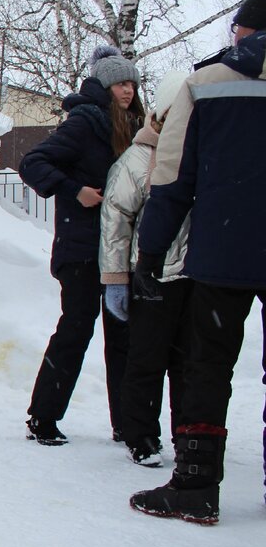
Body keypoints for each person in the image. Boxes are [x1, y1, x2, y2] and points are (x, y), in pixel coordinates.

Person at [128, 0, 266, 524]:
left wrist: (151, 253)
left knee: (206, 368)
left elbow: (171, 180)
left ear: (243, 31)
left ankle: (195, 487)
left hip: (223, 255)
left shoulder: (205, 84)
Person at [19, 46, 143, 445]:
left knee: (123, 334)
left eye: (133, 84)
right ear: (106, 84)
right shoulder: (85, 123)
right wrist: (75, 191)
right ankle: (42, 418)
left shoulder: (132, 124)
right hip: (81, 247)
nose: (129, 90)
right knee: (76, 328)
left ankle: (126, 424)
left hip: (119, 249)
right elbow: (33, 163)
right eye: (123, 83)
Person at [99, 70, 190, 467]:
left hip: (195, 278)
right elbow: (115, 224)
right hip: (149, 276)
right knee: (145, 360)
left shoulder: (200, 153)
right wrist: (116, 281)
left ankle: (189, 436)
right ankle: (141, 436)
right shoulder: (136, 161)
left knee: (190, 365)